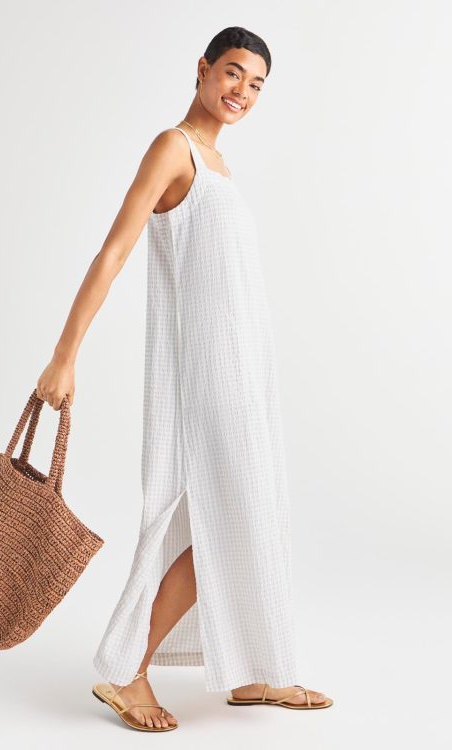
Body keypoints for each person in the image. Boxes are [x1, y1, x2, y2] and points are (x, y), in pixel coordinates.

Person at [36, 26, 333, 732]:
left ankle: (252, 671)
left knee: (250, 517)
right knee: (229, 519)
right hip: (207, 380)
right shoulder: (175, 149)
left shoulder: (220, 166)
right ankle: (127, 670)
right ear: (202, 69)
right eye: (233, 73)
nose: (242, 92)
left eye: (256, 85)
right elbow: (114, 251)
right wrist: (65, 354)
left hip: (245, 374)